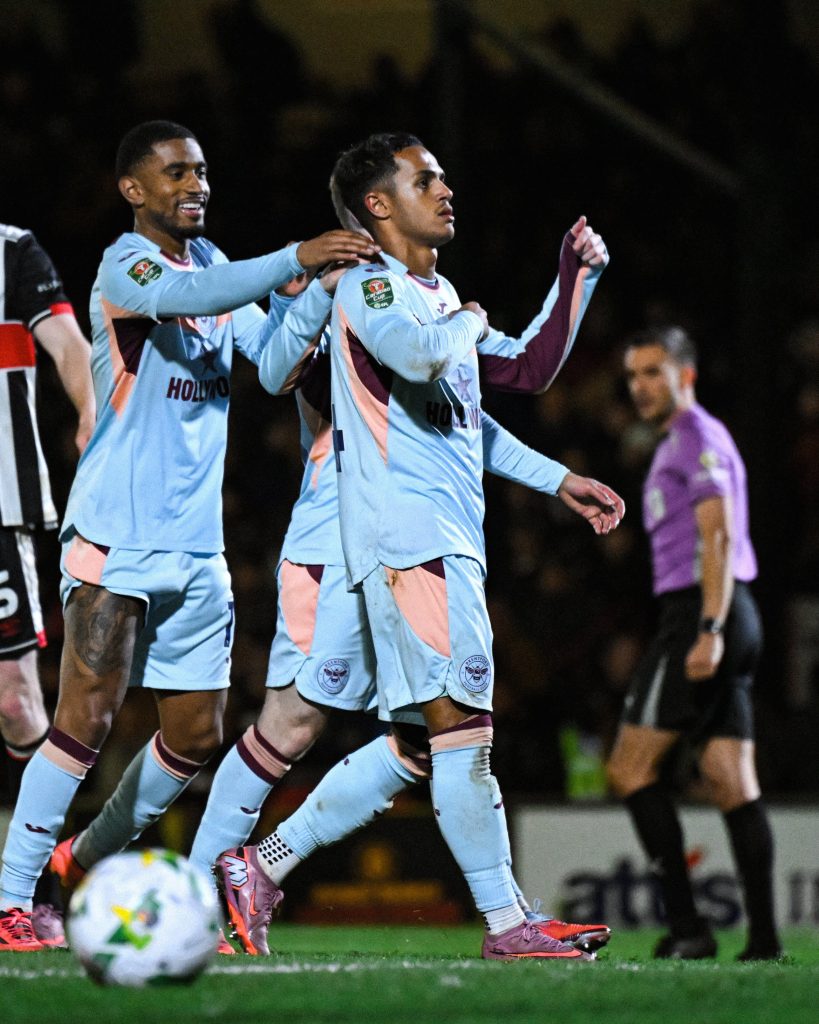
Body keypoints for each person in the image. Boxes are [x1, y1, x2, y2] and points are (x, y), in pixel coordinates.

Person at [213, 131, 624, 962]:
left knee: (415, 743)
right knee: (461, 724)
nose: (444, 190)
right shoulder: (370, 287)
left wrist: (572, 282)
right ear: (377, 204)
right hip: (412, 540)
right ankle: (508, 923)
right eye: (423, 179)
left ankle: (259, 867)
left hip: (429, 538)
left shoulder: (432, 297)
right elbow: (423, 351)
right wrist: (465, 318)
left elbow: (519, 379)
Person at [0, 119, 378, 952]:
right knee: (83, 723)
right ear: (134, 190)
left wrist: (318, 289)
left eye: (201, 171)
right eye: (175, 173)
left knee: (196, 737)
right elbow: (189, 302)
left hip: (196, 549)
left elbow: (275, 365)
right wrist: (295, 257)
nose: (195, 185)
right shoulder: (126, 266)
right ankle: (9, 901)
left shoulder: (214, 266)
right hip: (116, 538)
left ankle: (83, 858)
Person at [606, 326, 781, 961]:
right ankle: (762, 941)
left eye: (654, 372)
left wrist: (707, 628)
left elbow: (718, 539)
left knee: (628, 769)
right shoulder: (680, 443)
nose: (642, 386)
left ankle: (688, 928)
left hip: (703, 615)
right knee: (731, 781)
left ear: (687, 374)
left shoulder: (697, 438)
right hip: (731, 613)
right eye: (633, 375)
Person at [0, 223, 96, 947]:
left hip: (2, 506)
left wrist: (91, 405)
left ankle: (22, 898)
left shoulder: (13, 251)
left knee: (16, 697)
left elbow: (65, 341)